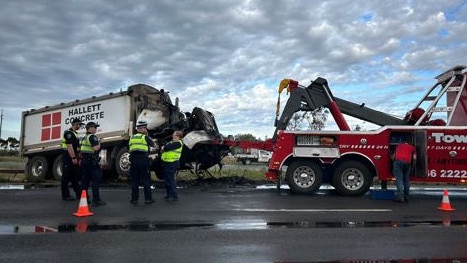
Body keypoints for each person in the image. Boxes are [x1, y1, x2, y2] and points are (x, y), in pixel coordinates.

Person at [129, 121, 156, 204]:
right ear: (143, 129)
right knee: (146, 180)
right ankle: (148, 199)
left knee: (135, 180)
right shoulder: (145, 137)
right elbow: (154, 145)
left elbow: (129, 148)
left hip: (133, 160)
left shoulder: (132, 137)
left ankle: (134, 199)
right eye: (145, 128)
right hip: (143, 160)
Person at [80, 122, 106, 206]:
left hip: (85, 161)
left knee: (85, 181)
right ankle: (96, 200)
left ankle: (84, 198)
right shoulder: (92, 137)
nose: (96, 128)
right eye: (94, 127)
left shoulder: (84, 137)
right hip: (91, 161)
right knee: (95, 180)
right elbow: (96, 148)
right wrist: (99, 144)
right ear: (90, 128)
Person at [60, 117, 83, 201]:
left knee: (74, 176)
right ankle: (65, 195)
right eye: (79, 125)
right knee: (66, 177)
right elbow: (69, 146)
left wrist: (78, 156)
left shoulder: (74, 133)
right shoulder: (68, 133)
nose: (80, 126)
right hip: (68, 156)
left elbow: (76, 147)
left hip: (73, 156)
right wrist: (73, 157)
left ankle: (78, 194)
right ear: (75, 124)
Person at [161, 130, 183, 201]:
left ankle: (174, 195)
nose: (173, 136)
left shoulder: (178, 143)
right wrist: (164, 148)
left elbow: (166, 148)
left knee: (170, 180)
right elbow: (164, 148)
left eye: (175, 135)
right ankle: (168, 194)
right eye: (173, 135)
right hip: (166, 162)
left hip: (172, 163)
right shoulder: (171, 142)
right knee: (167, 179)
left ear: (178, 136)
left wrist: (164, 148)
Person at [392, 138, 416, 203]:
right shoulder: (412, 147)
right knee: (406, 180)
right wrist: (413, 166)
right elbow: (414, 158)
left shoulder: (399, 146)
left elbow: (393, 156)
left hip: (398, 162)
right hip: (407, 163)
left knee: (399, 179)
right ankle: (406, 197)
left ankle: (400, 198)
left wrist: (393, 162)